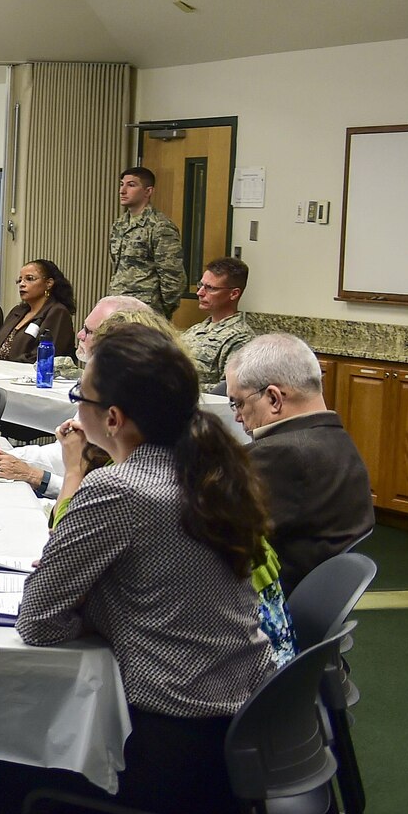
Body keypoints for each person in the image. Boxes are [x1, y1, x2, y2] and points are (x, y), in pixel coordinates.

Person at [0, 324, 277, 814]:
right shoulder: (206, 472)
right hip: (251, 735)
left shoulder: (121, 491)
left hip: (185, 752)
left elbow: (39, 621)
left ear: (111, 417)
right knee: (47, 740)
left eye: (80, 393)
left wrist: (90, 601)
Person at [0, 298, 160, 497]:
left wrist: (36, 476)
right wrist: (1, 456)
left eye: (88, 330)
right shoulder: (114, 385)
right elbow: (60, 456)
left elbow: (101, 497)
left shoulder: (133, 410)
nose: (79, 334)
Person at [228, 333, 374, 589]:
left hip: (265, 609)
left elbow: (212, 533)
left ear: (274, 398)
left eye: (238, 403)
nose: (238, 417)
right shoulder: (338, 440)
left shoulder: (279, 454)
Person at [108, 167, 186, 318]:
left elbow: (173, 276)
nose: (122, 191)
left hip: (145, 309)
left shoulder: (160, 226)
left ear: (148, 191)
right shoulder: (119, 225)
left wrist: (161, 310)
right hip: (118, 305)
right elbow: (118, 267)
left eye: (131, 185)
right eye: (121, 184)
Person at [181, 256, 255, 391]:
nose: (200, 292)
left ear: (234, 294)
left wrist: (178, 386)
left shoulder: (240, 338)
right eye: (201, 285)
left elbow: (229, 388)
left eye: (210, 288)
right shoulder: (196, 329)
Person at [0, 258, 78, 363]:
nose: (22, 284)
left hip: (27, 375)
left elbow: (42, 357)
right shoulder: (17, 311)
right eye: (19, 280)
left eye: (29, 279)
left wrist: (5, 366)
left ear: (49, 283)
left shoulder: (57, 312)